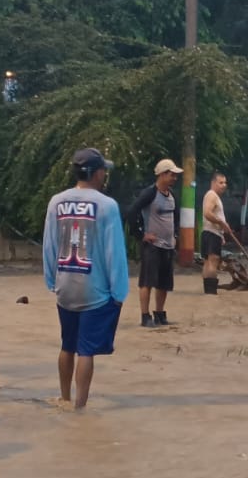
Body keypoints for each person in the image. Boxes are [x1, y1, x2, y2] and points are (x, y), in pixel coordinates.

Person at [42, 147, 130, 412]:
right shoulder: (107, 205)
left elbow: (50, 244)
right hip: (94, 290)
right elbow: (114, 251)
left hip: (65, 286)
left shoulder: (56, 201)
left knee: (67, 345)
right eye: (103, 170)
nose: (105, 174)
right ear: (96, 172)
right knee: (86, 351)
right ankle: (80, 407)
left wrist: (51, 281)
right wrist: (119, 292)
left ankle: (64, 398)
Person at [125, 158, 181, 327]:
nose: (174, 178)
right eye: (172, 175)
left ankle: (159, 313)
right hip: (152, 246)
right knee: (147, 281)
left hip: (168, 246)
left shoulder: (172, 196)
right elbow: (131, 213)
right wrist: (141, 234)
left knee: (164, 282)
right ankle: (145, 315)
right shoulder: (150, 193)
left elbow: (175, 217)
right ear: (163, 175)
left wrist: (176, 235)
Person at [200, 171, 232, 295]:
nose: (224, 185)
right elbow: (207, 213)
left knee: (208, 262)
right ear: (213, 183)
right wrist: (222, 224)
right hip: (211, 233)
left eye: (225, 183)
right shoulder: (212, 195)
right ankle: (211, 291)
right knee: (213, 261)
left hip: (210, 233)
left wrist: (222, 234)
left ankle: (208, 291)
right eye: (221, 182)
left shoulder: (213, 196)